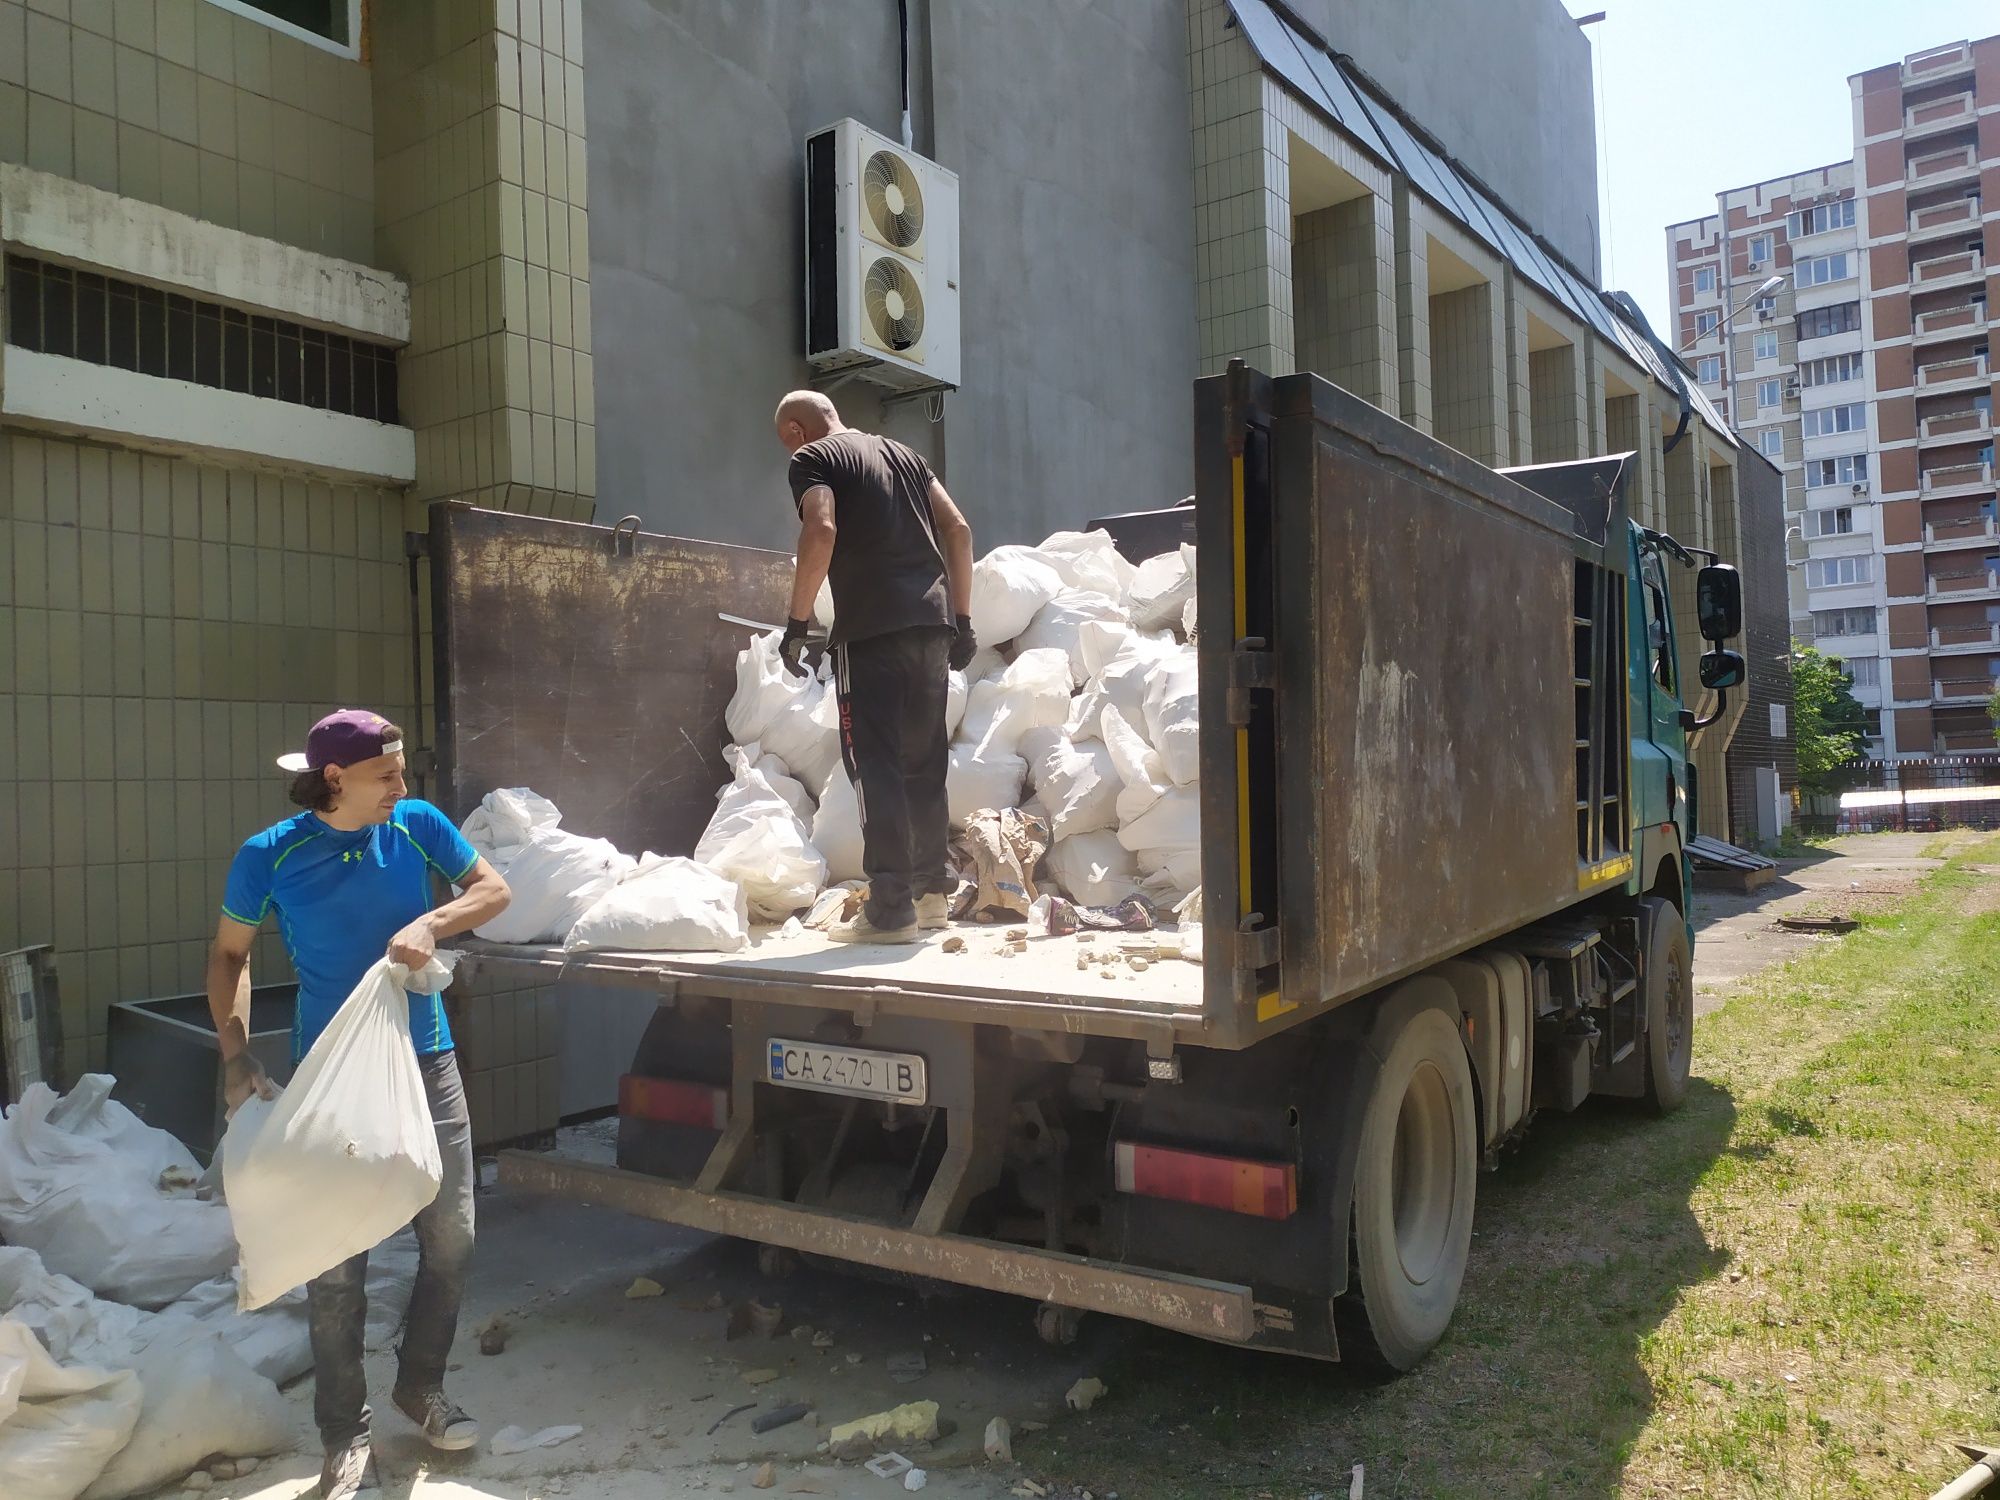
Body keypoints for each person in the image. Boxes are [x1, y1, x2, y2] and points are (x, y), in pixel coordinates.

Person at [206, 709, 512, 1500]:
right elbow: (230, 955)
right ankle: (346, 1435)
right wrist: (235, 1053)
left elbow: (493, 889)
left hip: (426, 1059)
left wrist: (431, 920)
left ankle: (422, 1384)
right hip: (332, 1077)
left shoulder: (416, 825)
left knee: (452, 1236)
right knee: (335, 1265)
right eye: (388, 775)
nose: (403, 787)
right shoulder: (270, 855)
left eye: (403, 773)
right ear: (334, 779)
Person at [773, 390, 976, 943]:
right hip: (933, 626)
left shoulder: (812, 459)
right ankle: (932, 897)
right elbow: (957, 529)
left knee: (876, 765)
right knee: (924, 762)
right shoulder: (905, 455)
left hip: (871, 632)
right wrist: (962, 617)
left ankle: (890, 912)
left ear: (795, 430)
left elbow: (821, 530)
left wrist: (796, 623)